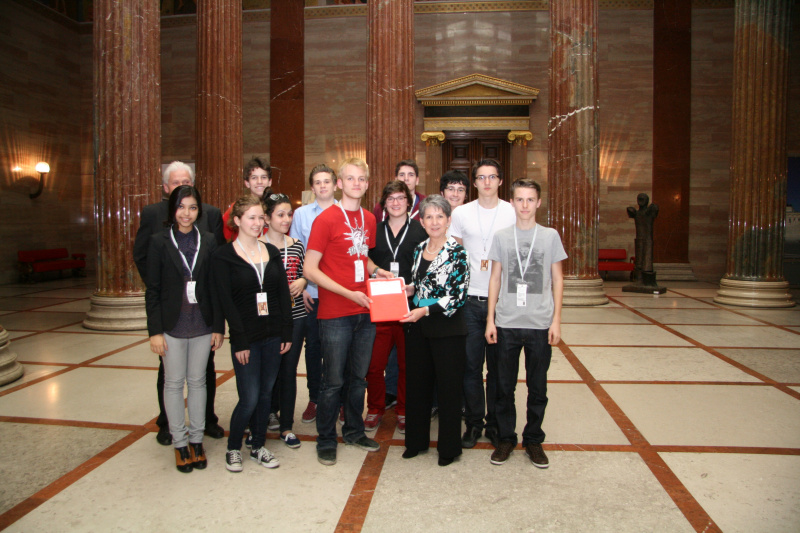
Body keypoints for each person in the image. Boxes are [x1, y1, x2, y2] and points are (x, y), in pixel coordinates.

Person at [304, 157, 392, 466]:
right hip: (336, 312)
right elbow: (310, 269)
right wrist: (347, 292)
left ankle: (354, 431)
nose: (356, 184)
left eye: (361, 179)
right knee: (333, 382)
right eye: (350, 179)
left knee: (359, 378)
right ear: (340, 184)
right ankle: (326, 438)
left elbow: (361, 256)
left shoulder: (368, 219)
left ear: (367, 185)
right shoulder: (326, 219)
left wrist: (377, 271)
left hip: (364, 311)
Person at [133, 160, 226, 446]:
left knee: (199, 381)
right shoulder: (160, 241)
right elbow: (153, 287)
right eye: (181, 206)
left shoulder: (209, 240)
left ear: (199, 210)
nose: (187, 213)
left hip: (201, 322)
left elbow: (216, 284)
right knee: (173, 382)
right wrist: (155, 330)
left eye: (193, 207)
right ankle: (177, 439)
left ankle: (197, 438)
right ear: (171, 204)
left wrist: (218, 326)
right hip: (172, 321)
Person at [485, 178, 566, 468]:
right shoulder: (502, 236)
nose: (525, 205)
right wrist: (490, 319)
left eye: (530, 200)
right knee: (504, 386)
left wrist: (556, 320)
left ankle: (533, 440)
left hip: (539, 323)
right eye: (519, 199)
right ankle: (506, 438)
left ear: (538, 203)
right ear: (512, 202)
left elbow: (557, 279)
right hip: (507, 322)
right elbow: (495, 278)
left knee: (538, 387)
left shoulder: (550, 236)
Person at [211, 195, 293, 472]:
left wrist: (286, 332)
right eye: (251, 218)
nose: (258, 223)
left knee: (266, 394)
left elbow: (282, 294)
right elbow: (226, 303)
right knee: (249, 396)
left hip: (273, 335)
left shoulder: (270, 251)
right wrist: (240, 341)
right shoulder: (223, 256)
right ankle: (234, 446)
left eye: (261, 218)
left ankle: (257, 445)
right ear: (237, 221)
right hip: (247, 338)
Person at [449, 158, 516, 449]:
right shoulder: (461, 213)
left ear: (500, 181)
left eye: (492, 177)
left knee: (500, 369)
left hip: (502, 303)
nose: (487, 182)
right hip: (470, 300)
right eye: (481, 177)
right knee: (471, 367)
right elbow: (455, 255)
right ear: (473, 183)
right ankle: (474, 423)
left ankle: (497, 424)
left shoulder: (513, 212)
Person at [400, 194, 470, 467]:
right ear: (421, 221)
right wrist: (410, 289)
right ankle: (416, 442)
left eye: (440, 216)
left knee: (449, 389)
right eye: (428, 216)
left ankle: (448, 448)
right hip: (418, 327)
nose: (434, 221)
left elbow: (457, 296)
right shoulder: (419, 249)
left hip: (447, 327)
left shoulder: (458, 253)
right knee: (418, 385)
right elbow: (422, 283)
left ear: (449, 220)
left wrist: (425, 309)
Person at [365, 181, 427, 433]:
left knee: (406, 363)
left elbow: (427, 264)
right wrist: (377, 271)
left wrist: (414, 286)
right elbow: (362, 258)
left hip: (409, 307)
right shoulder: (373, 229)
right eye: (390, 198)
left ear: (409, 202)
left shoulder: (421, 231)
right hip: (379, 306)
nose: (396, 203)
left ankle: (403, 409)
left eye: (401, 198)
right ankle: (374, 407)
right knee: (374, 364)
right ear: (384, 203)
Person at [289, 164, 337, 424]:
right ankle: (315, 399)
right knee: (314, 348)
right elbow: (297, 252)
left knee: (339, 348)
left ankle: (337, 400)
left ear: (335, 184)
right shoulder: (301, 214)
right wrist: (305, 285)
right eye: (317, 182)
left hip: (338, 293)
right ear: (312, 187)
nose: (322, 186)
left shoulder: (345, 212)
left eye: (326, 181)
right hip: (312, 293)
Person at [261, 193, 307, 449]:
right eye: (280, 214)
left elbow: (303, 273)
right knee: (268, 372)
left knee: (288, 372)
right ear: (266, 217)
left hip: (296, 316)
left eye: (289, 214)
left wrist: (303, 281)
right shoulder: (257, 245)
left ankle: (287, 426)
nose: (286, 219)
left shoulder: (298, 244)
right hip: (268, 319)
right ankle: (265, 414)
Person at [222, 157, 273, 242]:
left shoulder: (277, 208)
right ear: (247, 183)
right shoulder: (236, 208)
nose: (259, 181)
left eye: (263, 177)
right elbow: (225, 238)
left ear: (270, 181)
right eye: (254, 178)